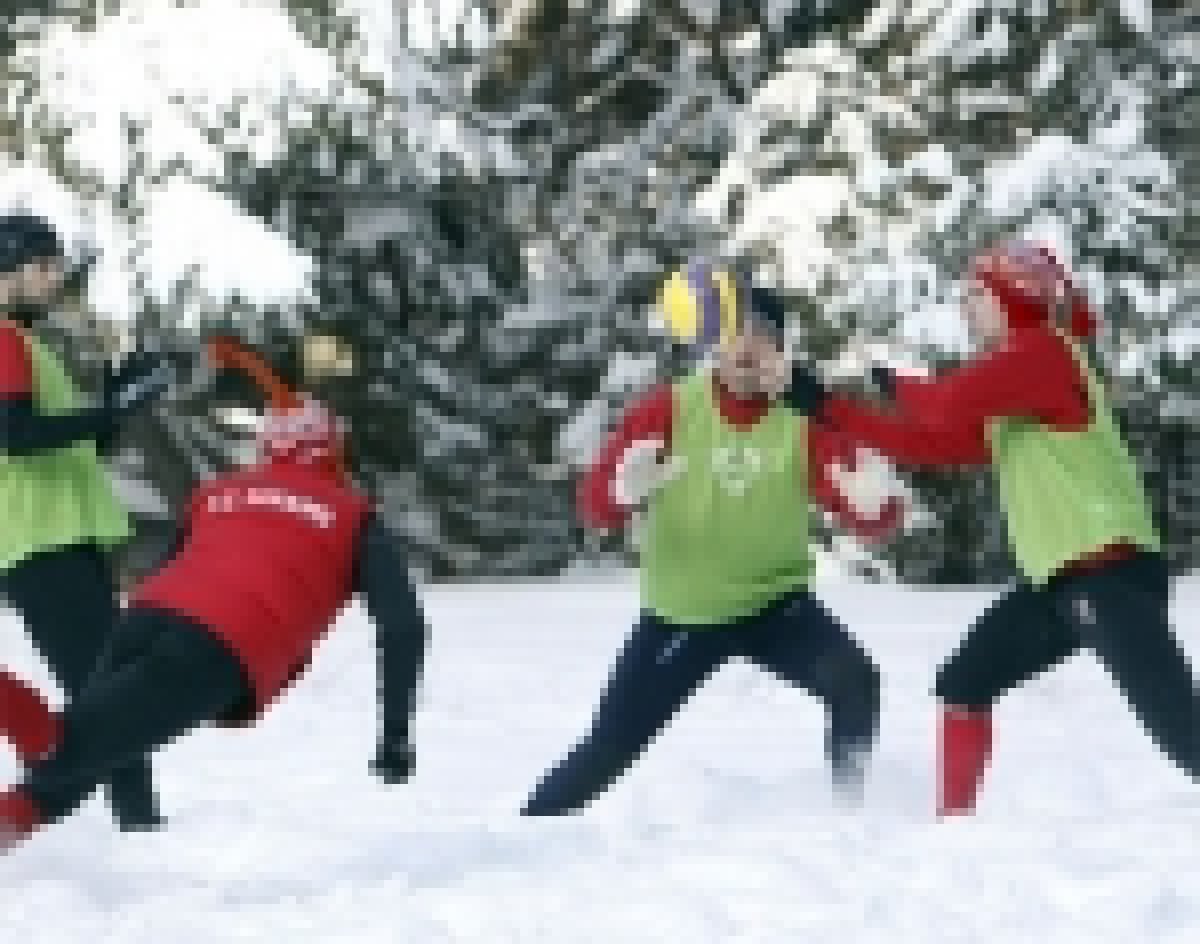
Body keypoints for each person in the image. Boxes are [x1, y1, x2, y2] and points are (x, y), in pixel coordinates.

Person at [806, 240, 1191, 816]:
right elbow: (938, 443)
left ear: (1012, 296)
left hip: (1109, 574)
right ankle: (954, 827)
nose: (966, 306)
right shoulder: (1017, 378)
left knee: (1181, 730)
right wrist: (827, 410)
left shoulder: (1042, 352)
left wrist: (891, 383)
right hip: (1059, 584)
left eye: (975, 294)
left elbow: (948, 404)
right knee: (964, 682)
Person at [522, 264, 906, 816]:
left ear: (782, 353)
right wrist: (623, 490)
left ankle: (850, 818)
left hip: (777, 609)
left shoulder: (804, 421)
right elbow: (595, 508)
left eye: (764, 337)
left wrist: (875, 504)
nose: (748, 348)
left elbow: (873, 515)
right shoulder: (670, 409)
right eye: (736, 333)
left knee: (856, 682)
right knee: (609, 748)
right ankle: (529, 832)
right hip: (684, 615)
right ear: (715, 342)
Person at [0, 397, 429, 851]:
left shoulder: (217, 495)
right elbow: (402, 627)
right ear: (333, 451)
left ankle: (14, 818)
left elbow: (170, 569)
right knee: (65, 744)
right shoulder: (353, 516)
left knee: (94, 747)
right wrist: (396, 735)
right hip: (222, 641)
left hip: (146, 618)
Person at [0, 212, 174, 830]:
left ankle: (135, 828)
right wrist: (107, 410)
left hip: (62, 537)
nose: (53, 279)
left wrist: (115, 403)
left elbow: (77, 446)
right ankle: (125, 828)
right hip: (39, 540)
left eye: (55, 267)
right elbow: (13, 434)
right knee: (110, 698)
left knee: (111, 694)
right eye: (42, 267)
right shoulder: (4, 340)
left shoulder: (30, 345)